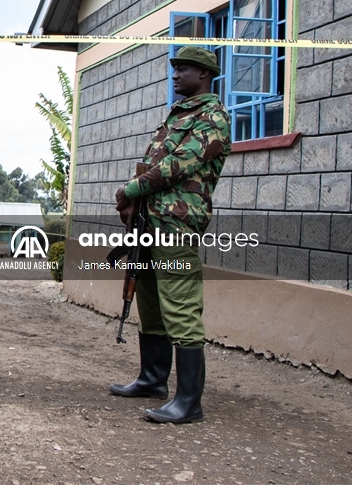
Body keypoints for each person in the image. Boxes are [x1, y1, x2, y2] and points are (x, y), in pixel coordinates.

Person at [111, 46, 231, 424]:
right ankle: (152, 379)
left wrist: (131, 190)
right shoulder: (178, 115)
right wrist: (134, 198)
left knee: (180, 306)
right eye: (175, 68)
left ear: (205, 75)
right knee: (150, 303)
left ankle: (189, 402)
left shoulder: (213, 117)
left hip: (176, 226)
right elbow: (151, 162)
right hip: (150, 224)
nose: (176, 74)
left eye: (184, 69)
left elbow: (178, 165)